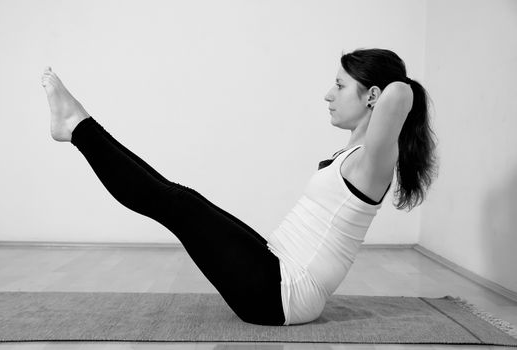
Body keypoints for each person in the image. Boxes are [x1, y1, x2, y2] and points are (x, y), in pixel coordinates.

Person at [41, 47, 437, 327]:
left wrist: (396, 84)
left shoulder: (374, 162)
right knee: (181, 198)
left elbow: (399, 93)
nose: (328, 94)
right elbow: (390, 95)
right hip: (275, 268)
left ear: (371, 96)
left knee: (176, 204)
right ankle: (78, 127)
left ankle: (77, 128)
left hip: (281, 295)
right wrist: (377, 87)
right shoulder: (352, 154)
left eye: (339, 84)